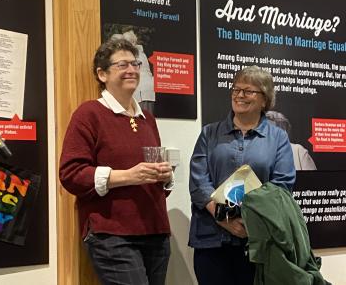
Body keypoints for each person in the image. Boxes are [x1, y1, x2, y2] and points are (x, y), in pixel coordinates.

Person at [59, 38, 173, 285]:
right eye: (122, 65)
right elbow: (71, 174)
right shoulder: (89, 114)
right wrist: (127, 176)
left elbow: (155, 182)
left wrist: (165, 176)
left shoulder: (148, 120)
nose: (132, 70)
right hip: (112, 234)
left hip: (156, 231)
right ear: (102, 74)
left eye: (135, 64)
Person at [188, 65, 296, 285]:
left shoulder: (278, 138)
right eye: (236, 89)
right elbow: (198, 182)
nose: (240, 95)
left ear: (265, 100)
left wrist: (245, 217)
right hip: (211, 240)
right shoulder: (209, 133)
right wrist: (224, 216)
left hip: (256, 241)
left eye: (248, 91)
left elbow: (282, 185)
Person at [123, 30, 156, 114]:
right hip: (147, 89)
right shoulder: (141, 53)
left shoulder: (135, 55)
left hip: (142, 90)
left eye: (126, 42)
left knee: (143, 119)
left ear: (133, 42)